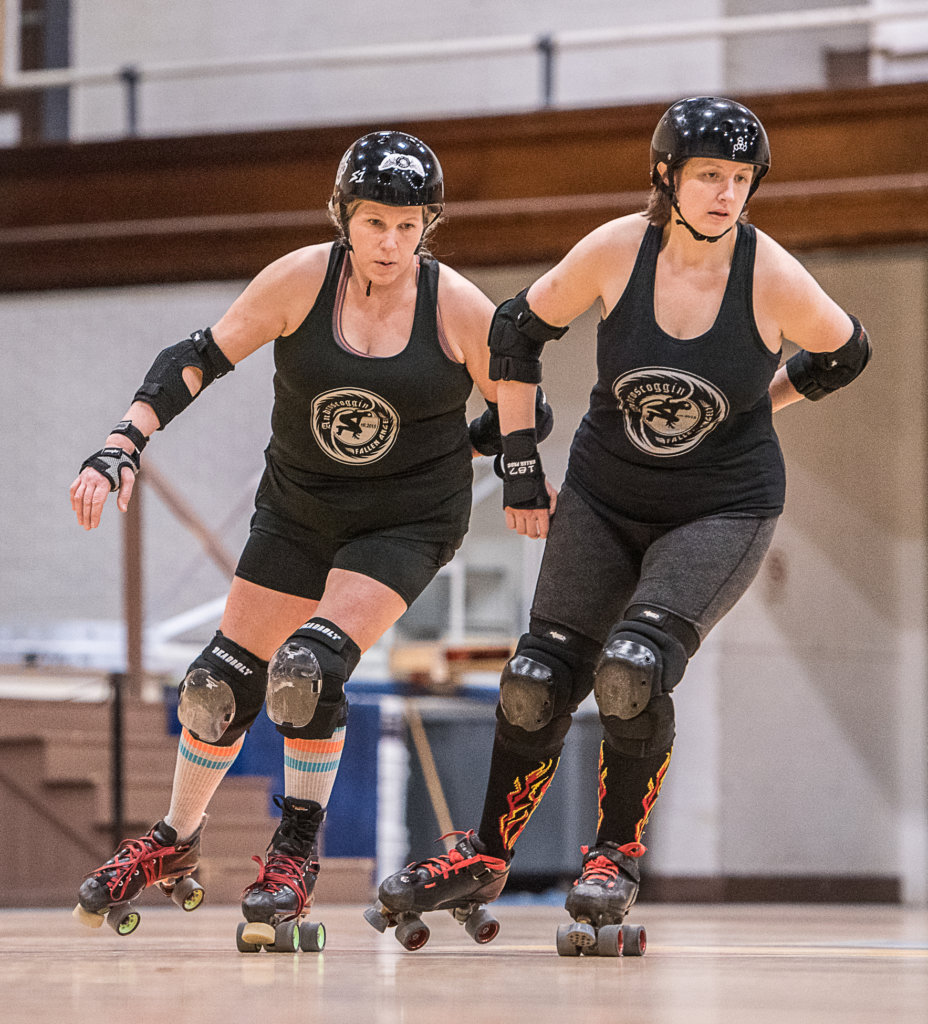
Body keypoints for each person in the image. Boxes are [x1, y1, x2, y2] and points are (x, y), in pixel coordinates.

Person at [372, 97, 871, 952]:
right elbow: (515, 331)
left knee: (632, 670)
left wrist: (762, 404)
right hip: (605, 496)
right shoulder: (617, 250)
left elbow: (846, 352)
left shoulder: (770, 274)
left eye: (740, 179)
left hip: (722, 507)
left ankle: (613, 857)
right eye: (709, 175)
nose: (726, 194)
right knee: (535, 679)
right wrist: (519, 461)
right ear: (666, 176)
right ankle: (484, 854)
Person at [69, 129, 555, 947]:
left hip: (404, 522)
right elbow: (197, 358)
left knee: (309, 667)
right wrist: (124, 441)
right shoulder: (301, 280)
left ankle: (294, 855)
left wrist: (482, 458)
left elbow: (526, 409)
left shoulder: (457, 306)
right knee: (216, 685)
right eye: (375, 224)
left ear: (428, 227)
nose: (391, 243)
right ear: (343, 217)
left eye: (409, 226)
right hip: (298, 509)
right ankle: (175, 839)